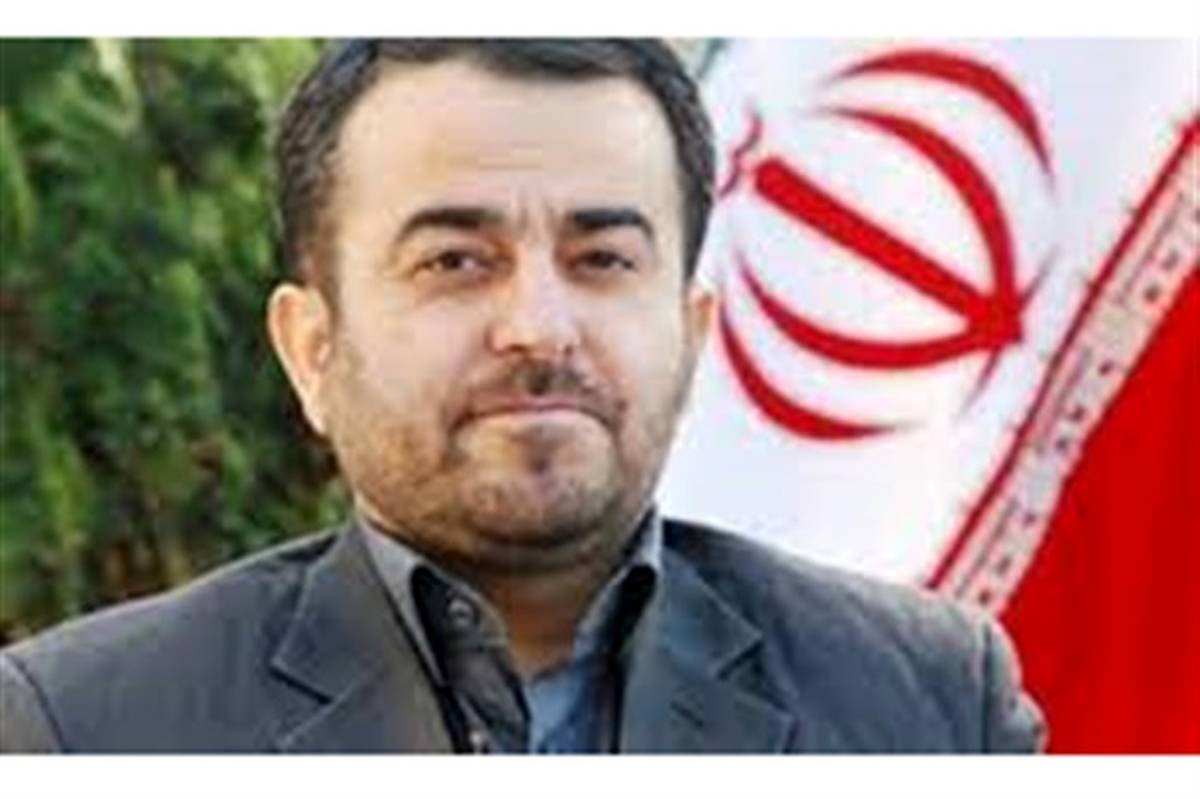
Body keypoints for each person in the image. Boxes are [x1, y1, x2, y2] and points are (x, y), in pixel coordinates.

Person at [0, 38, 1045, 754]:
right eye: (456, 261)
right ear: (311, 349)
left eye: (602, 258)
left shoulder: (926, 701)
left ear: (690, 337)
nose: (540, 328)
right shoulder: (86, 727)